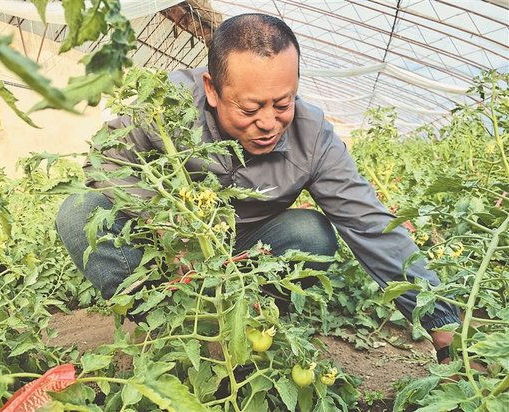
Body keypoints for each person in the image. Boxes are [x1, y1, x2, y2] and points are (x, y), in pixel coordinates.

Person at [55, 13, 459, 363]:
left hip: (245, 247)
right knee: (79, 211)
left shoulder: (312, 136)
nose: (268, 122)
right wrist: (163, 219)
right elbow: (106, 158)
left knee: (311, 233)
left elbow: (369, 224)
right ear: (211, 89)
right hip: (165, 249)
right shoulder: (166, 103)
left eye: (283, 104)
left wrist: (441, 320)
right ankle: (162, 323)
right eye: (250, 109)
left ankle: (253, 324)